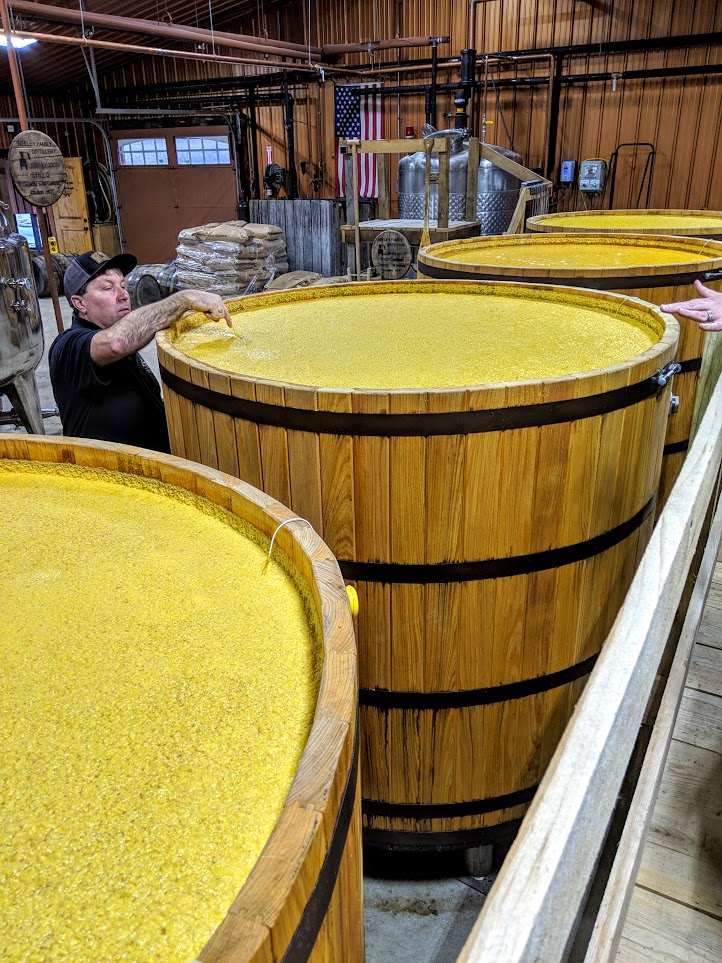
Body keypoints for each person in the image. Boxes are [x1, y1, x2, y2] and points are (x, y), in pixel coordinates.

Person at [49, 250, 232, 452]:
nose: (123, 296)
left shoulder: (122, 338)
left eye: (123, 286)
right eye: (108, 288)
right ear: (79, 303)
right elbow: (116, 342)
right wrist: (185, 299)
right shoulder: (68, 346)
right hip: (114, 477)